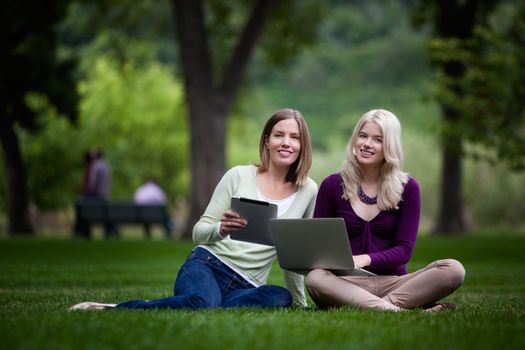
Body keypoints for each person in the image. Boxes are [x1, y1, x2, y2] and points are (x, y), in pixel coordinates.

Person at [70, 108, 318, 311]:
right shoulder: (238, 176)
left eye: (294, 137)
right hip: (208, 264)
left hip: (248, 285)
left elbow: (293, 255)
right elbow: (198, 232)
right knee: (203, 302)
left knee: (279, 298)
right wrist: (220, 229)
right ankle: (116, 308)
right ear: (267, 140)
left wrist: (299, 301)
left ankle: (206, 304)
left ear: (302, 145)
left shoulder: (308, 190)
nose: (286, 143)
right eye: (278, 135)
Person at [305, 109, 465, 312]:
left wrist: (365, 258)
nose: (366, 144)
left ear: (389, 146)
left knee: (453, 269)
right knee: (315, 278)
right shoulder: (332, 185)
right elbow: (320, 247)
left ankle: (375, 306)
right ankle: (402, 311)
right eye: (362, 136)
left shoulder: (408, 187)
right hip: (345, 284)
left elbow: (404, 251)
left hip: (396, 283)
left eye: (377, 139)